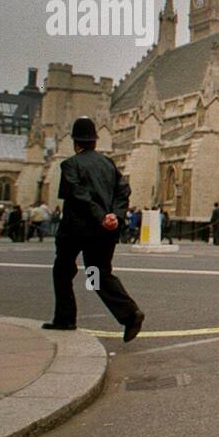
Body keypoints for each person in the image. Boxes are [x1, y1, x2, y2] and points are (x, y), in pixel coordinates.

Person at [44, 117, 144, 342]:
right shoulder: (108, 164)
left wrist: (101, 217)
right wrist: (114, 216)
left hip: (76, 230)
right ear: (95, 141)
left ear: (75, 142)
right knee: (98, 274)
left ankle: (65, 319)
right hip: (104, 232)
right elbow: (123, 192)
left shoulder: (70, 165)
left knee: (63, 271)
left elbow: (79, 196)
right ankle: (129, 314)